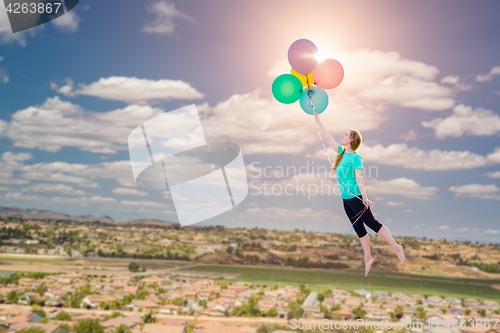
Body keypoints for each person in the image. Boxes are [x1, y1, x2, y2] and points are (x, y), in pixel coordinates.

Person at [313, 111, 406, 277]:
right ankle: (368, 259)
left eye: (346, 135)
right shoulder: (341, 152)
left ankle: (396, 247)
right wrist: (318, 120)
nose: (342, 135)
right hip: (346, 200)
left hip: (356, 198)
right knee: (360, 231)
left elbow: (360, 179)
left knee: (374, 225)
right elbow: (328, 138)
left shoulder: (356, 158)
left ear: (351, 140)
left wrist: (365, 199)